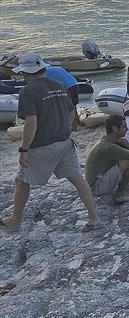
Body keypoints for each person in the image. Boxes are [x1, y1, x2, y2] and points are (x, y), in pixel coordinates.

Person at [1, 54, 99, 232]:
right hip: (65, 142)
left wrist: (24, 149)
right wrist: (64, 131)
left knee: (22, 181)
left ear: (25, 72)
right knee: (77, 179)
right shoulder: (59, 85)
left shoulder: (27, 91)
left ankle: (15, 220)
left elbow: (31, 123)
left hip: (42, 146)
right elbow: (71, 115)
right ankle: (94, 218)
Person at [85, 115, 129, 203]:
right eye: (124, 127)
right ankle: (121, 195)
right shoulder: (109, 147)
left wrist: (126, 144)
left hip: (93, 183)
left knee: (126, 159)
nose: (127, 129)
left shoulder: (106, 140)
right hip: (95, 187)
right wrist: (127, 144)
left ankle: (126, 190)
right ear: (115, 128)